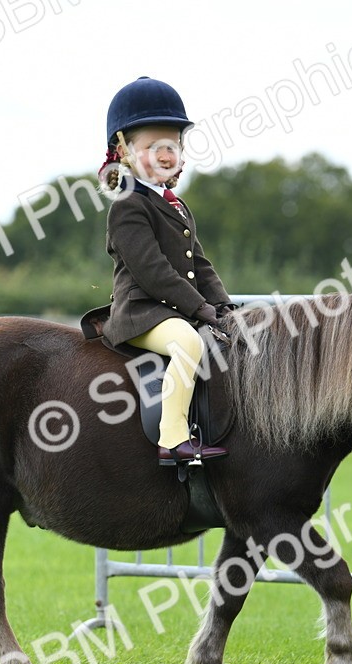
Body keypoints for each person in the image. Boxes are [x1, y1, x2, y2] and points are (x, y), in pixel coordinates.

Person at [99, 76, 234, 467]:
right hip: (141, 313)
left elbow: (201, 266)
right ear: (124, 150)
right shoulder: (127, 205)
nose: (165, 154)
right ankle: (173, 440)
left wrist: (224, 306)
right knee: (189, 344)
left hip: (174, 310)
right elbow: (153, 272)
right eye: (152, 146)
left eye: (172, 145)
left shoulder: (176, 205)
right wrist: (201, 311)